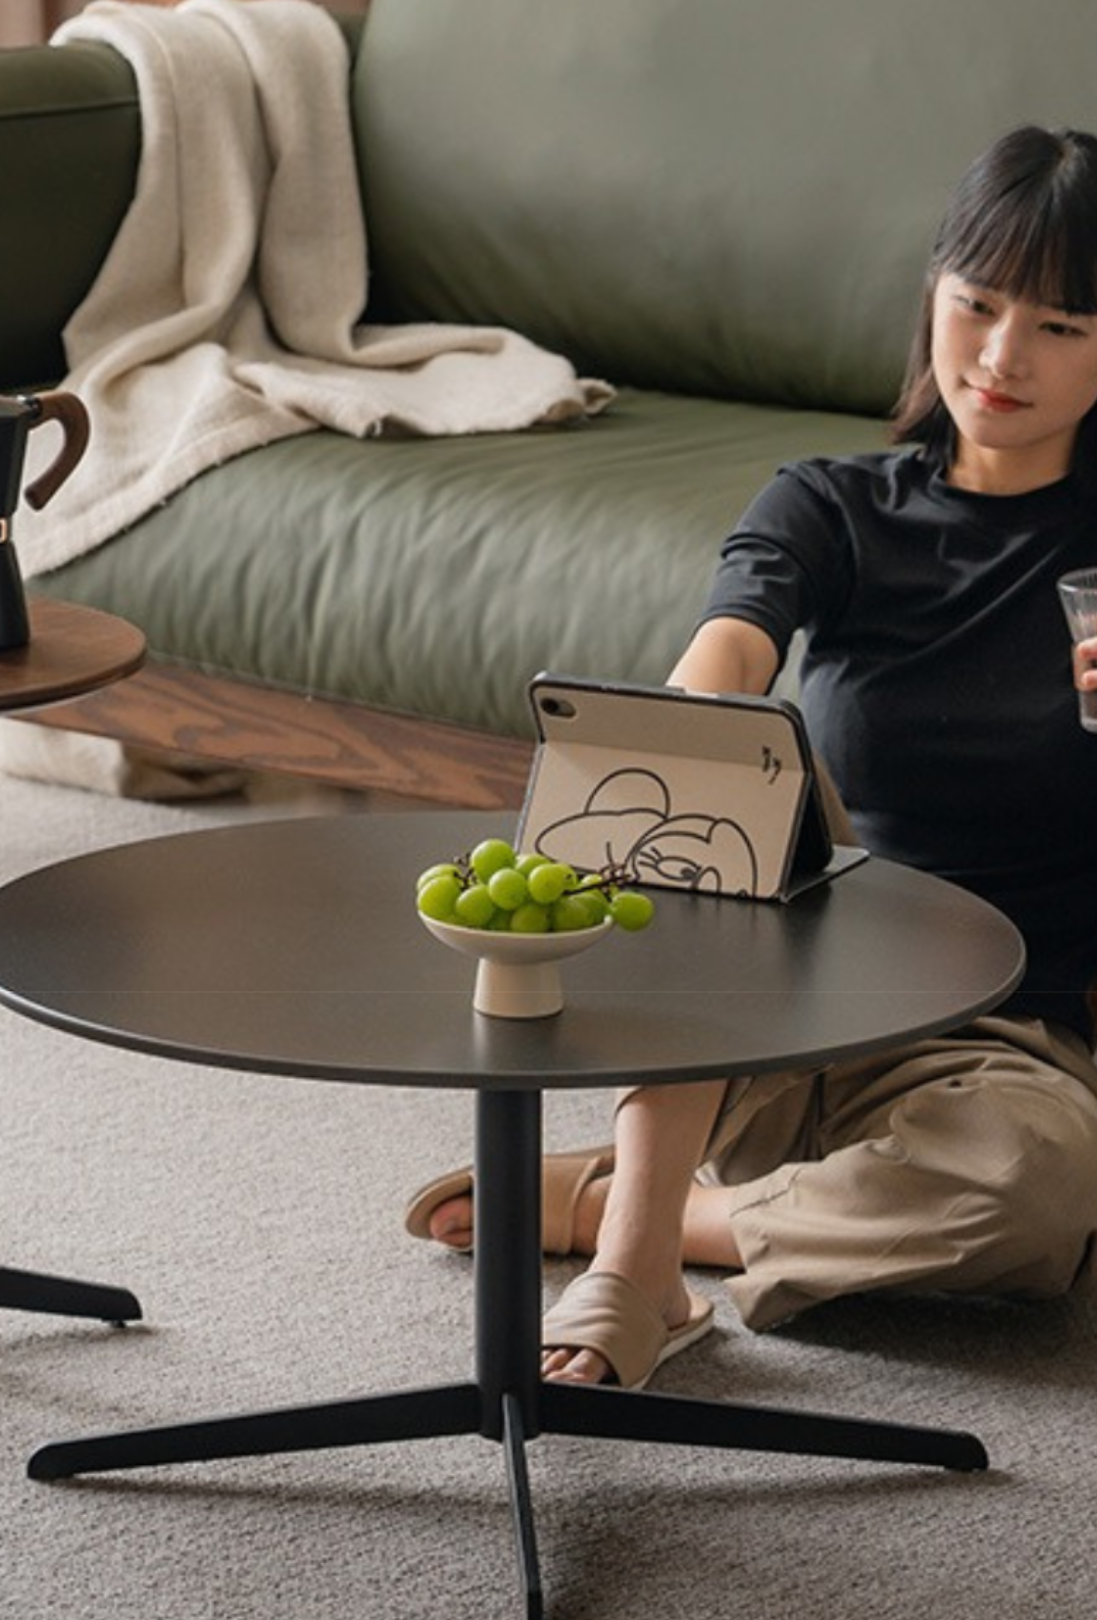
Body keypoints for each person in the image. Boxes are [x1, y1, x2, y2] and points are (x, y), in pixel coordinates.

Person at [404, 123, 1097, 1391]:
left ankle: (643, 1216)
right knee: (710, 759)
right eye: (979, 303)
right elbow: (730, 644)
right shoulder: (833, 504)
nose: (1002, 357)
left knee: (1037, 1195)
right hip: (790, 1005)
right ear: (933, 295)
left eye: (1063, 326)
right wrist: (696, 714)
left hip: (1010, 1042)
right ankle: (643, 1271)